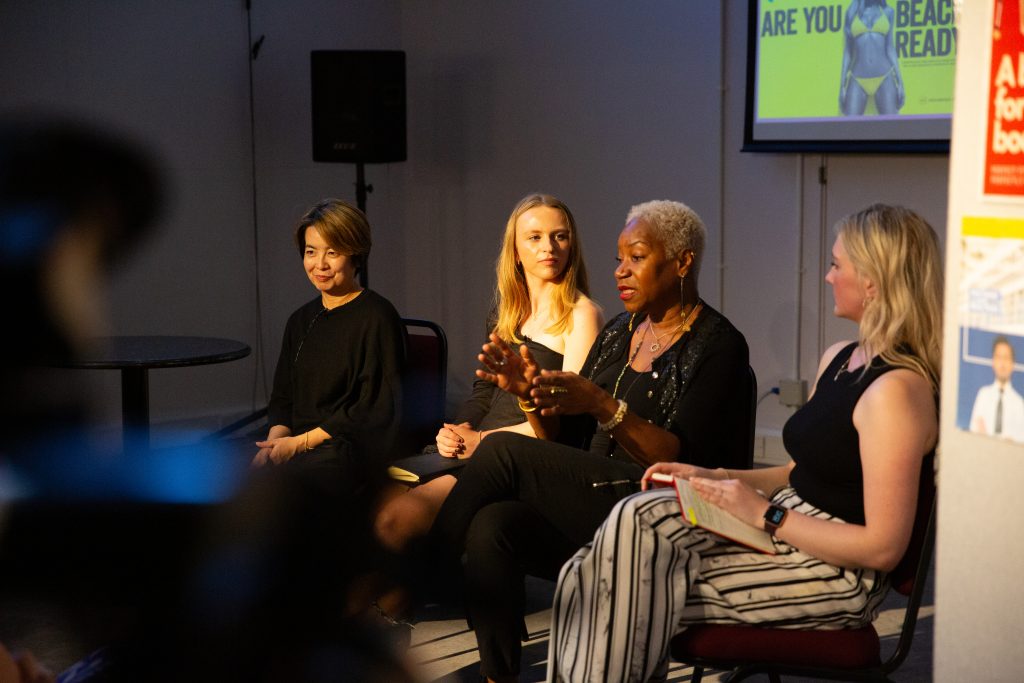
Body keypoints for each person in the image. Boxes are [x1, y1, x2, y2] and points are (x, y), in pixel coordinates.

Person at [547, 203, 941, 683]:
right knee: (602, 551)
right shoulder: (841, 356)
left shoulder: (897, 392)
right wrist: (714, 477)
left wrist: (765, 514)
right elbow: (798, 474)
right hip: (783, 530)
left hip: (831, 572)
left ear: (874, 283)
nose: (827, 276)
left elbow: (882, 549)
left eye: (837, 266)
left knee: (613, 583)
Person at [428, 200, 752, 683]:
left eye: (636, 258)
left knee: (498, 450)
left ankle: (417, 573)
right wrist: (529, 398)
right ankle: (499, 676)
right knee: (493, 525)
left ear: (682, 262)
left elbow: (676, 457)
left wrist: (604, 405)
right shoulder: (622, 331)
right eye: (618, 259)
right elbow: (569, 442)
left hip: (662, 509)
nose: (621, 271)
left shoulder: (718, 344)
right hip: (599, 503)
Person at [375, 193, 602, 551]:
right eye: (535, 237)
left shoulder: (581, 315)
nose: (549, 247)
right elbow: (483, 392)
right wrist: (458, 430)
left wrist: (481, 442)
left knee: (395, 518)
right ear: (515, 250)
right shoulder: (508, 312)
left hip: (518, 457)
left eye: (560, 236)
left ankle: (395, 603)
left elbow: (566, 426)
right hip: (477, 445)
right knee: (369, 503)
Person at [251, 199, 406, 476]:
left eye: (332, 253)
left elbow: (373, 410)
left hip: (348, 449)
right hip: (296, 442)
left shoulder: (378, 316)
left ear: (355, 256)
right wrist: (274, 444)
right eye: (311, 252)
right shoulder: (300, 319)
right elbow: (283, 398)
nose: (319, 264)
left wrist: (298, 445)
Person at [839, 0, 905, 116]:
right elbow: (848, 52)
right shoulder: (851, 13)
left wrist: (900, 83)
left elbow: (890, 48)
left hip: (885, 76)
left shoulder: (888, 12)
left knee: (892, 129)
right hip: (857, 78)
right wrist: (842, 86)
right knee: (849, 129)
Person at [969, 335, 1024, 441]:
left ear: (1012, 364)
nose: (1002, 363)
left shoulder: (1019, 403)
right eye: (998, 357)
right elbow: (974, 429)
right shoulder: (983, 395)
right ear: (993, 362)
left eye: (1006, 358)